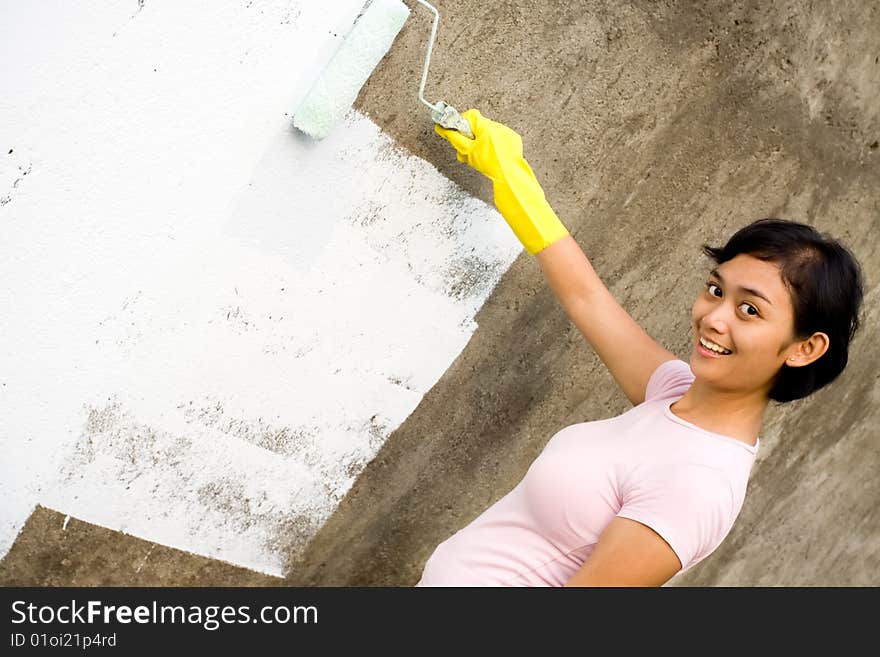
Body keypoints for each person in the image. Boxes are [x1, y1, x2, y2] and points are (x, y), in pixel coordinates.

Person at [415, 109, 865, 587]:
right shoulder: (673, 394)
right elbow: (588, 299)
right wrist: (509, 174)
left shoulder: (698, 484)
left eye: (749, 311)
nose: (714, 317)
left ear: (804, 348)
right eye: (716, 290)